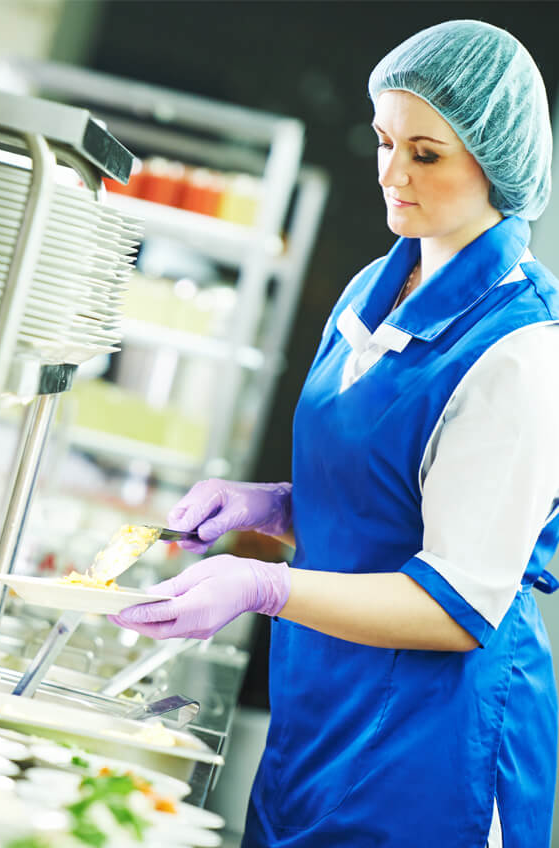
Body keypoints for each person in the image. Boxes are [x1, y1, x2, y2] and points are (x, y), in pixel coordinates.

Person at [109, 20, 559, 848]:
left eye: (426, 154)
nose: (392, 173)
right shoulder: (373, 291)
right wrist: (273, 505)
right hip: (323, 706)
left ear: (496, 161)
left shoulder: (519, 355)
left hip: (436, 742)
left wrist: (263, 587)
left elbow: (458, 605)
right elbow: (388, 492)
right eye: (385, 141)